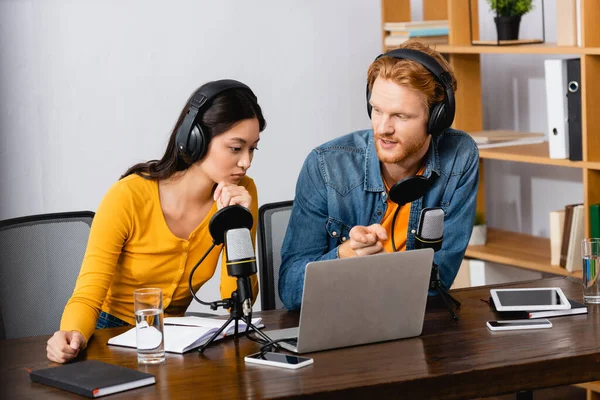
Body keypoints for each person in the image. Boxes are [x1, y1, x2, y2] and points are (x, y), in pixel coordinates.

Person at [46, 80, 266, 363]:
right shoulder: (129, 196)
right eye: (236, 148)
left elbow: (240, 303)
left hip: (176, 341)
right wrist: (70, 335)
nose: (246, 162)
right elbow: (88, 296)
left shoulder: (241, 193)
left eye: (253, 149)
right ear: (196, 139)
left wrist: (235, 224)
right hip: (110, 334)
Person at [279, 41, 479, 310]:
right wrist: (344, 256)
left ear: (436, 119)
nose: (383, 128)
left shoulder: (459, 155)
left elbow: (437, 282)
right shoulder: (325, 165)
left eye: (400, 116)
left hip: (412, 319)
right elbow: (290, 291)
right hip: (339, 316)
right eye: (377, 110)